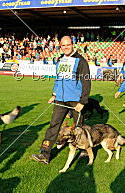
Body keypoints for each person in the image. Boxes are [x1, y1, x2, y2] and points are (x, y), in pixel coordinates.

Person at [31, 36, 91, 164]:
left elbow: (86, 82)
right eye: (63, 46)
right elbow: (58, 79)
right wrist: (54, 94)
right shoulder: (60, 60)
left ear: (72, 45)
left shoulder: (81, 61)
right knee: (53, 125)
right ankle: (44, 154)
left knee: (79, 127)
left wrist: (83, 101)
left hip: (76, 100)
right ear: (60, 47)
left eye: (68, 45)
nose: (65, 47)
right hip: (60, 99)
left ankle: (84, 150)